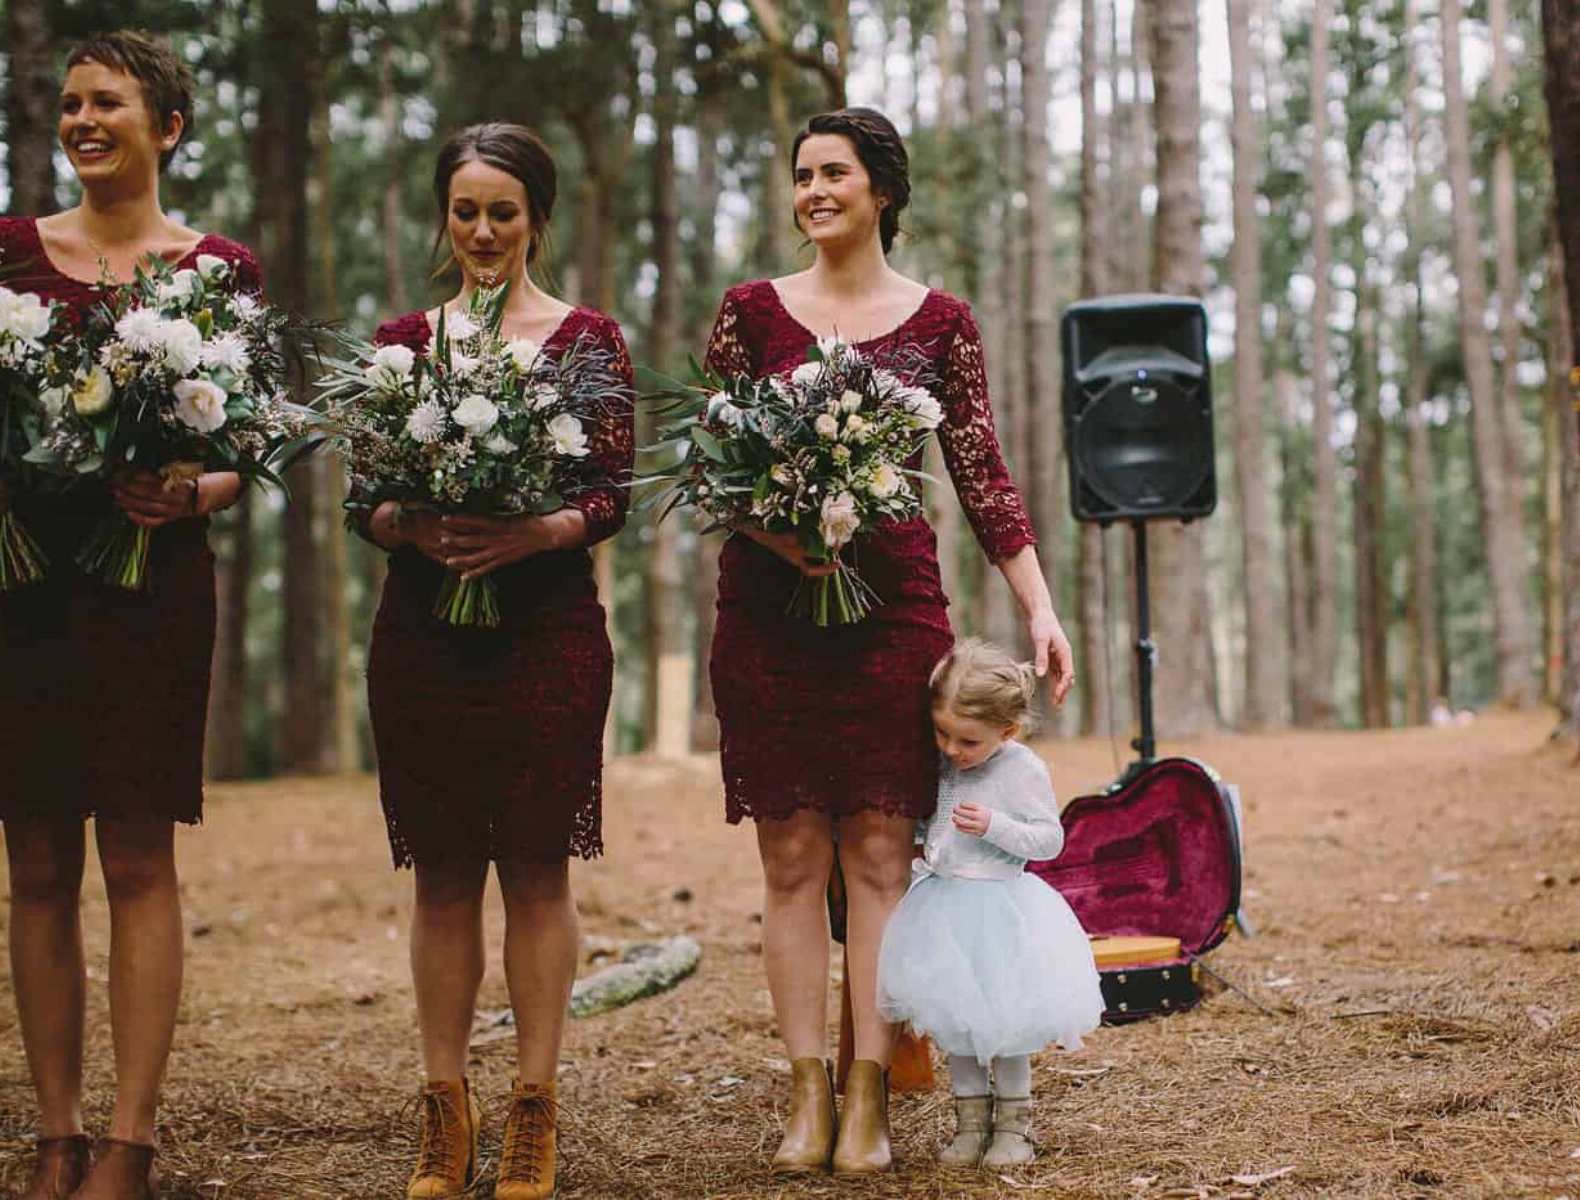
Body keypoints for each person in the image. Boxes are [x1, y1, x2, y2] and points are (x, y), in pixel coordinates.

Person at [701, 106, 1074, 1175]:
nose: (815, 191)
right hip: (770, 609)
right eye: (803, 175)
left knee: (876, 854)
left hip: (893, 604)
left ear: (884, 192)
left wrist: (1040, 608)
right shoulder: (749, 315)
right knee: (787, 857)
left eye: (836, 174)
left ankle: (870, 1093)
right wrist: (781, 534)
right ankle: (805, 1094)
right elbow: (713, 474)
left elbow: (981, 473)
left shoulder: (941, 321)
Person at [0, 31, 256, 1200]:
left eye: (110, 104)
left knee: (137, 856)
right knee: (37, 860)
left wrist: (190, 489)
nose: (84, 121)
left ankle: (128, 1141)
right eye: (73, 105)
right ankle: (54, 1131)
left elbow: (244, 446)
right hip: (15, 584)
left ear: (167, 129)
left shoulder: (218, 269)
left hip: (149, 585)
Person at [352, 122, 634, 1200]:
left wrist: (534, 533)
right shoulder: (399, 340)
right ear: (444, 215)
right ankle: (441, 1108)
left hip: (547, 636)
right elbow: (359, 498)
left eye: (502, 213)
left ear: (537, 222)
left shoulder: (587, 340)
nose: (481, 231)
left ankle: (533, 1105)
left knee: (534, 868)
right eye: (465, 211)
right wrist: (410, 527)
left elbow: (609, 490)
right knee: (441, 875)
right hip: (423, 636)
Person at [877, 638, 1104, 1169]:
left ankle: (1013, 1128)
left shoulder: (1021, 768)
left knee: (1005, 1027)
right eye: (942, 734)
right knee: (956, 1022)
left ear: (1007, 730)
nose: (952, 750)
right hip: (943, 907)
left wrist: (997, 827)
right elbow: (933, 822)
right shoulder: (943, 763)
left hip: (1001, 909)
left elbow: (1049, 840)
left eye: (968, 741)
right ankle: (969, 1125)